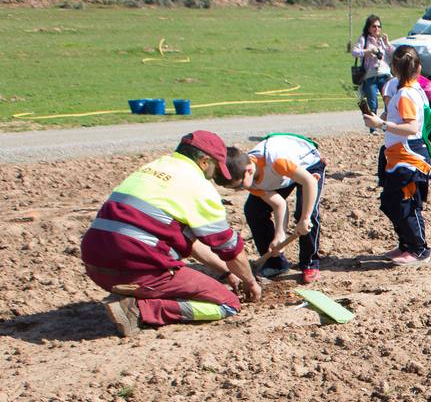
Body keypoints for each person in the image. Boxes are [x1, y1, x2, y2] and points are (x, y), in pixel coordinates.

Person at [81, 131, 260, 336]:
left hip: (96, 267)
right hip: (135, 269)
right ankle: (139, 310)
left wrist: (228, 273)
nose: (214, 176)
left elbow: (188, 241)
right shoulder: (198, 186)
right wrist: (250, 282)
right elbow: (229, 248)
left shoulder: (152, 168)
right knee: (228, 304)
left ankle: (137, 295)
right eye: (215, 168)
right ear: (204, 161)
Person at [363, 46, 431, 266]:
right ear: (418, 68)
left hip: (409, 157)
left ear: (394, 68)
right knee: (392, 202)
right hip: (399, 156)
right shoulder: (408, 91)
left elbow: (411, 128)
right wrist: (380, 119)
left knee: (405, 204)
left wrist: (381, 124)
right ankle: (406, 244)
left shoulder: (405, 94)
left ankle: (419, 250)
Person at [243, 133, 325, 283]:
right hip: (281, 176)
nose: (242, 188)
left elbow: (309, 183)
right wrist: (280, 235)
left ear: (248, 170)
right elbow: (279, 204)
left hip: (307, 166)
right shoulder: (247, 177)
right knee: (254, 210)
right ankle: (276, 263)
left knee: (306, 212)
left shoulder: (276, 160)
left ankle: (310, 263)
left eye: (241, 184)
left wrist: (305, 219)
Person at [352, 15, 393, 116]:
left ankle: (386, 125)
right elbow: (355, 52)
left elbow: (393, 54)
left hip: (384, 75)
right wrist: (368, 51)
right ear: (368, 28)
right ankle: (373, 129)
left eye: (379, 26)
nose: (377, 29)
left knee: (389, 102)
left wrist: (387, 43)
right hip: (370, 76)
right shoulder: (364, 39)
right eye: (374, 26)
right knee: (372, 104)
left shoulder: (382, 40)